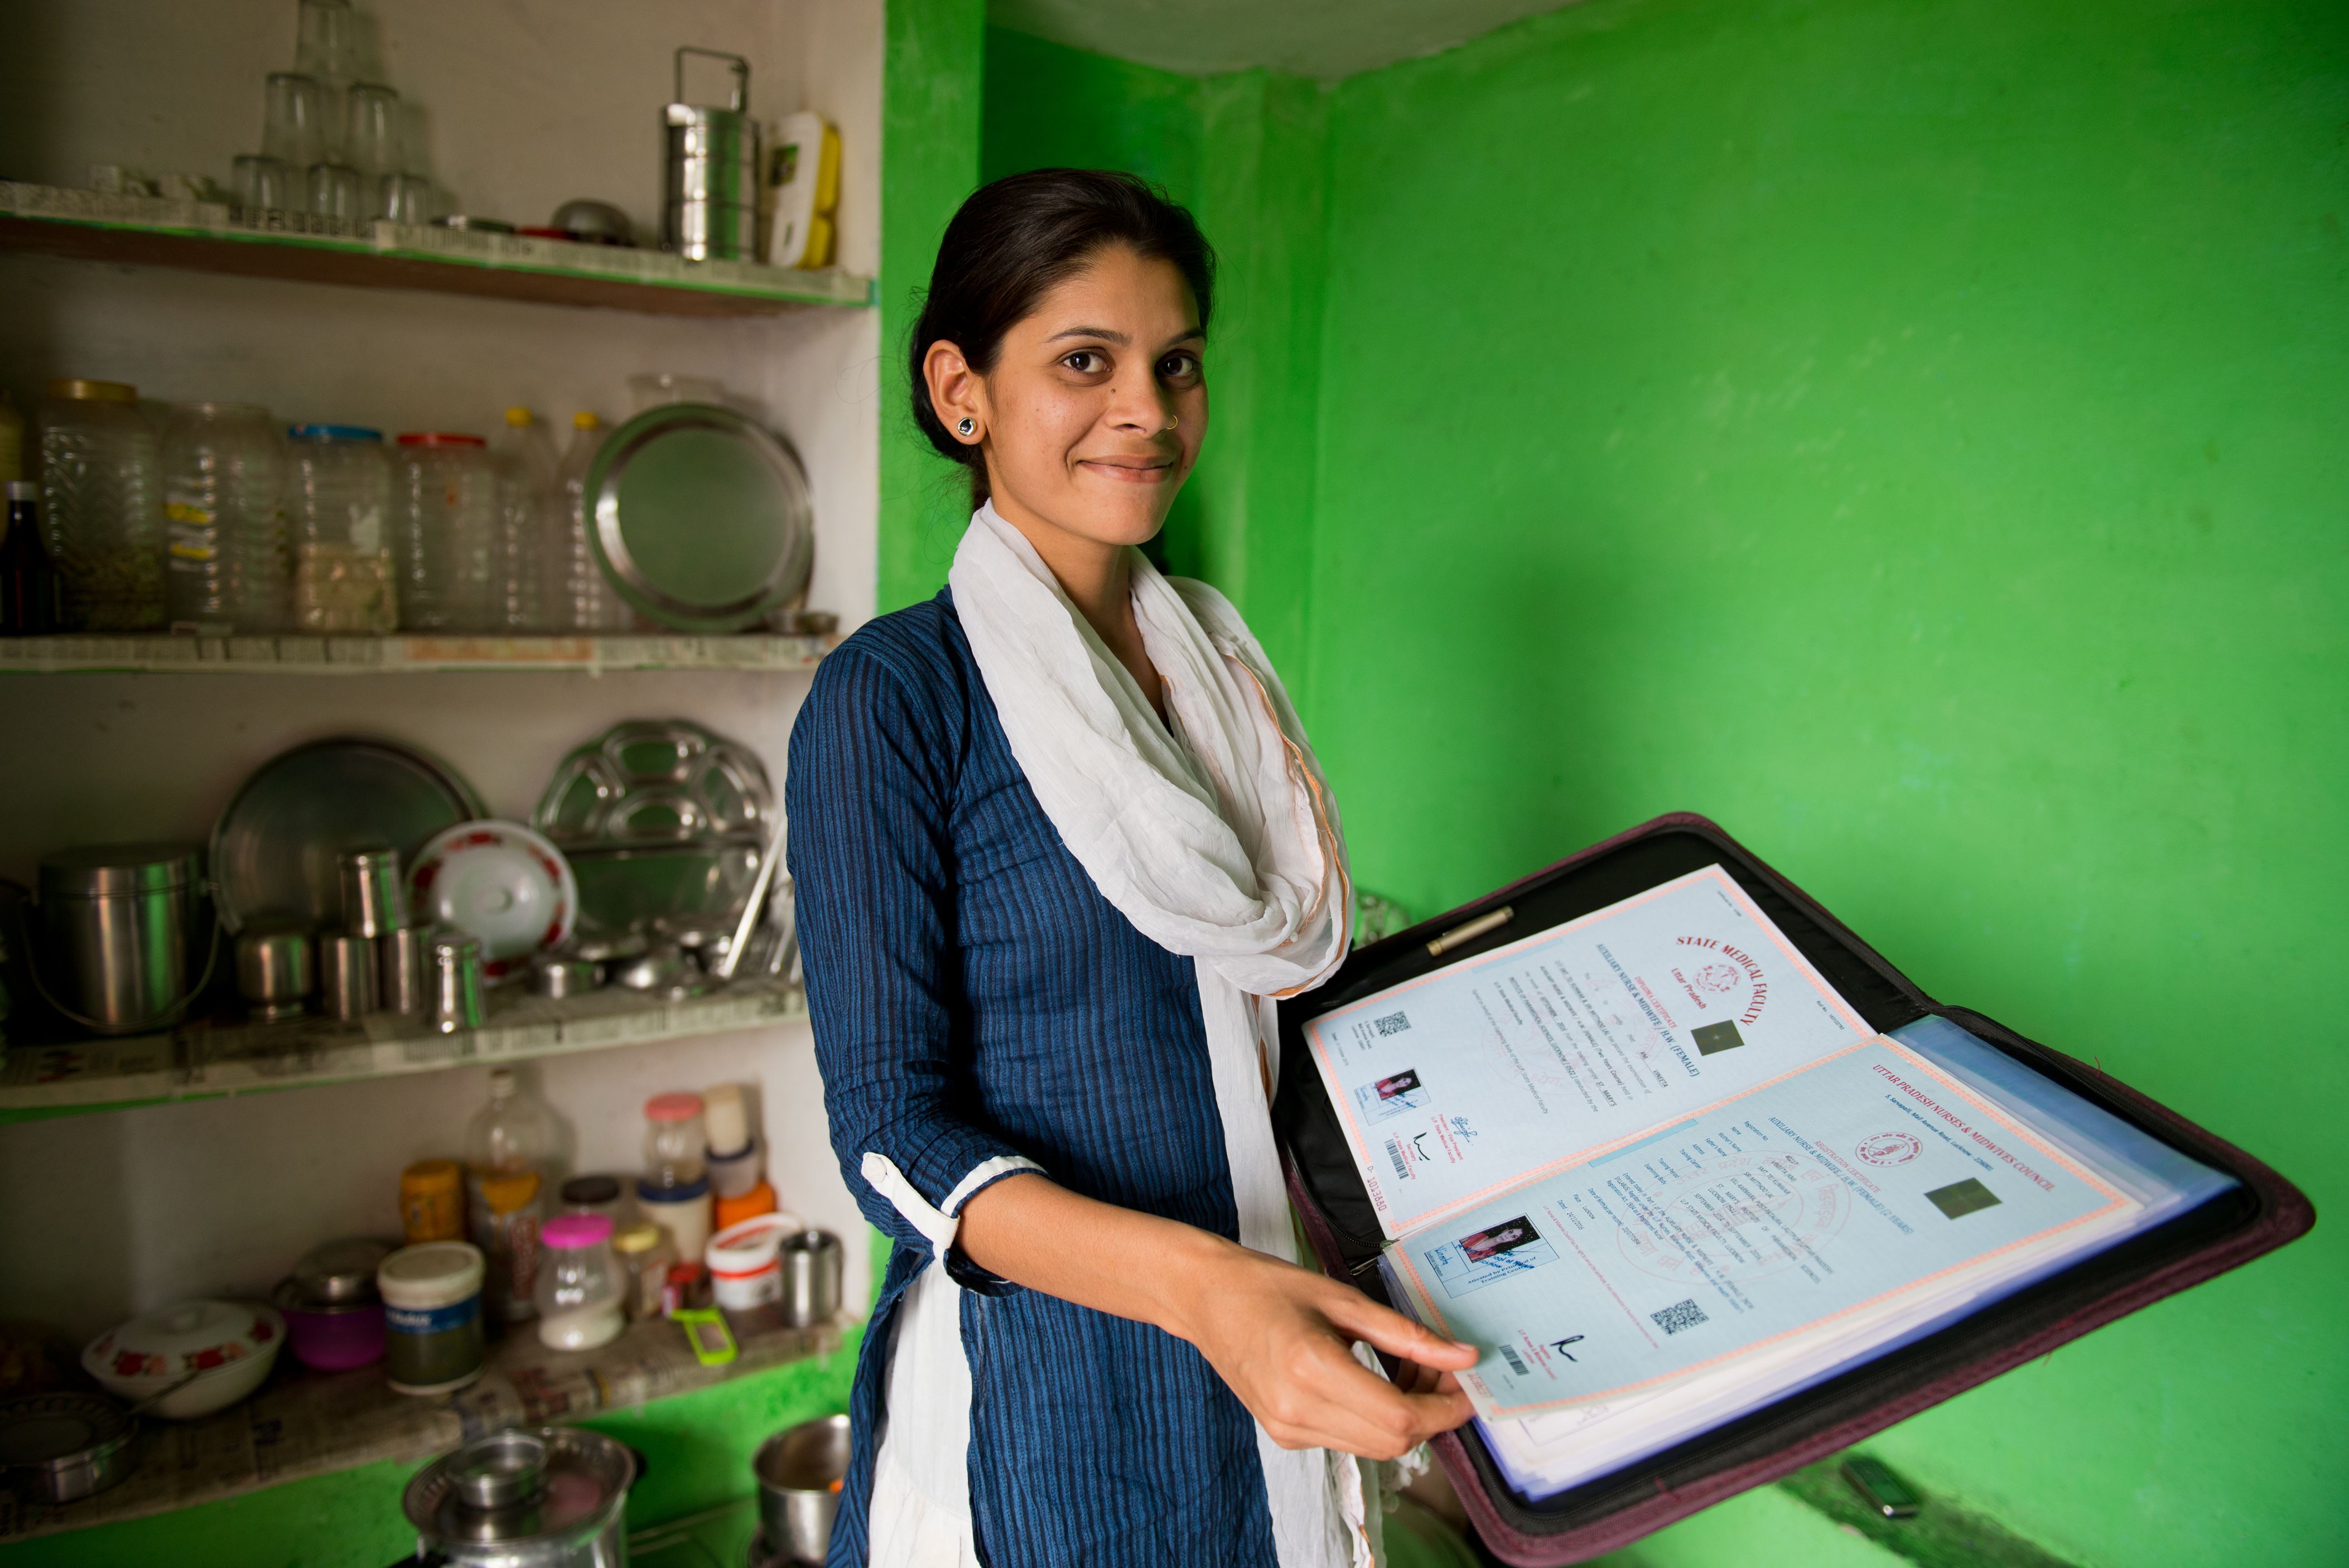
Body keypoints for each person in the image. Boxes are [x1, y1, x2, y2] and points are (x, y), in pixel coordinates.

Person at [787, 168, 1477, 1568]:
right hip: (1050, 1402)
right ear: (961, 389)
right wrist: (1208, 1288)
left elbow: (1266, 1031)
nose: (1150, 413)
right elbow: (887, 1131)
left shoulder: (1216, 674)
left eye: (1176, 365)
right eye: (1083, 362)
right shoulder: (899, 697)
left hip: (1270, 1334)